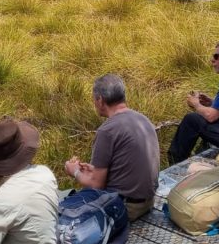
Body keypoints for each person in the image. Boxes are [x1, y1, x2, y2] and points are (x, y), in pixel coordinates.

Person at [63, 74, 160, 221]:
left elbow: (96, 185)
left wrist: (74, 171)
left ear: (100, 100)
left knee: (63, 205)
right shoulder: (143, 119)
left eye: (94, 99)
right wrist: (93, 170)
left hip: (125, 208)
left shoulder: (107, 131)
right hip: (147, 202)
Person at [167, 41, 219, 164]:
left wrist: (195, 104)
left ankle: (175, 164)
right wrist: (213, 103)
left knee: (192, 120)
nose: (212, 60)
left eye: (216, 56)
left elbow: (211, 116)